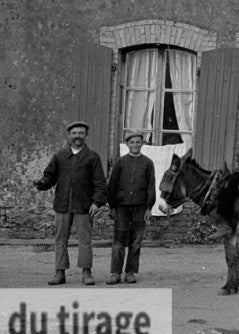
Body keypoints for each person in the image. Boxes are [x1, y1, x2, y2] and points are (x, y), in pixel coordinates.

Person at [33, 121, 107, 286]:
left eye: (81, 133)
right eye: (74, 133)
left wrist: (96, 202)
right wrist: (41, 183)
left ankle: (86, 272)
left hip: (84, 205)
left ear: (86, 136)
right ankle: (59, 272)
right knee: (60, 239)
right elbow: (49, 176)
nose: (77, 136)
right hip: (63, 204)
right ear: (69, 136)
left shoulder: (92, 157)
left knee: (85, 240)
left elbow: (100, 183)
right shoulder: (60, 156)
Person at [104, 129, 156, 284]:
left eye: (138, 142)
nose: (135, 145)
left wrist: (149, 207)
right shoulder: (120, 162)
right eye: (132, 142)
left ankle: (130, 272)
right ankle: (115, 273)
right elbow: (112, 184)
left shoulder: (147, 163)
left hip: (140, 207)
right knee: (119, 240)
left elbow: (151, 186)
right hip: (121, 207)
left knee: (136, 240)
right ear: (127, 144)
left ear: (142, 144)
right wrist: (112, 206)